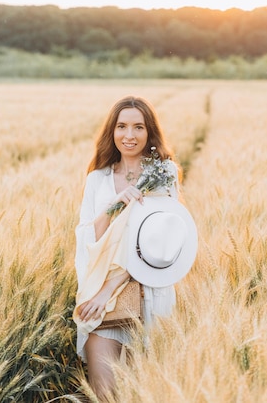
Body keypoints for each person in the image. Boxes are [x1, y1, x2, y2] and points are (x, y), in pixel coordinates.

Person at [73, 95, 184, 400]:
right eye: (122, 126)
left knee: (141, 394)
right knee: (104, 394)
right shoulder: (97, 179)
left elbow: (159, 245)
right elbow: (86, 236)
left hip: (149, 294)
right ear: (112, 131)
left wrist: (110, 287)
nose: (129, 135)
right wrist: (112, 208)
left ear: (150, 133)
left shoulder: (163, 174)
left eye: (138, 127)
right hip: (100, 300)